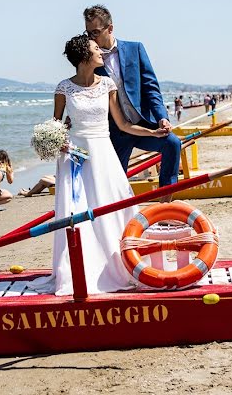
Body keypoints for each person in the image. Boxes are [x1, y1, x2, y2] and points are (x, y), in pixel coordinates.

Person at [29, 34, 170, 296]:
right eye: (96, 50)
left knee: (112, 204)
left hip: (103, 153)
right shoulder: (63, 88)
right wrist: (55, 142)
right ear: (84, 56)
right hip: (75, 156)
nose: (101, 54)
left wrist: (152, 134)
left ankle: (121, 263)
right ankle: (80, 268)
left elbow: (123, 124)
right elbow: (57, 125)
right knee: (78, 209)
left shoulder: (107, 84)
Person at [83, 5, 181, 184]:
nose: (91, 38)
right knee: (114, 183)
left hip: (144, 124)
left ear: (110, 28)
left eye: (95, 32)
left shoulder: (135, 48)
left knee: (172, 144)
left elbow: (151, 87)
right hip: (114, 132)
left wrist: (162, 117)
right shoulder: (90, 58)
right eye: (88, 33)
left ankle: (166, 199)